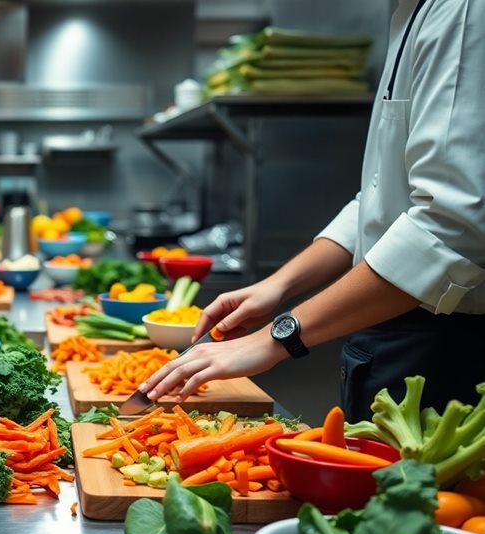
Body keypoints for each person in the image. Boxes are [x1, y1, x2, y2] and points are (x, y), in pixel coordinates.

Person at [140, 0, 485, 422]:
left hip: (444, 348)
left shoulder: (464, 11)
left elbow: (449, 225)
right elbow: (377, 202)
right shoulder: (408, 14)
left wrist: (274, 338)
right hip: (385, 330)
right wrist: (279, 285)